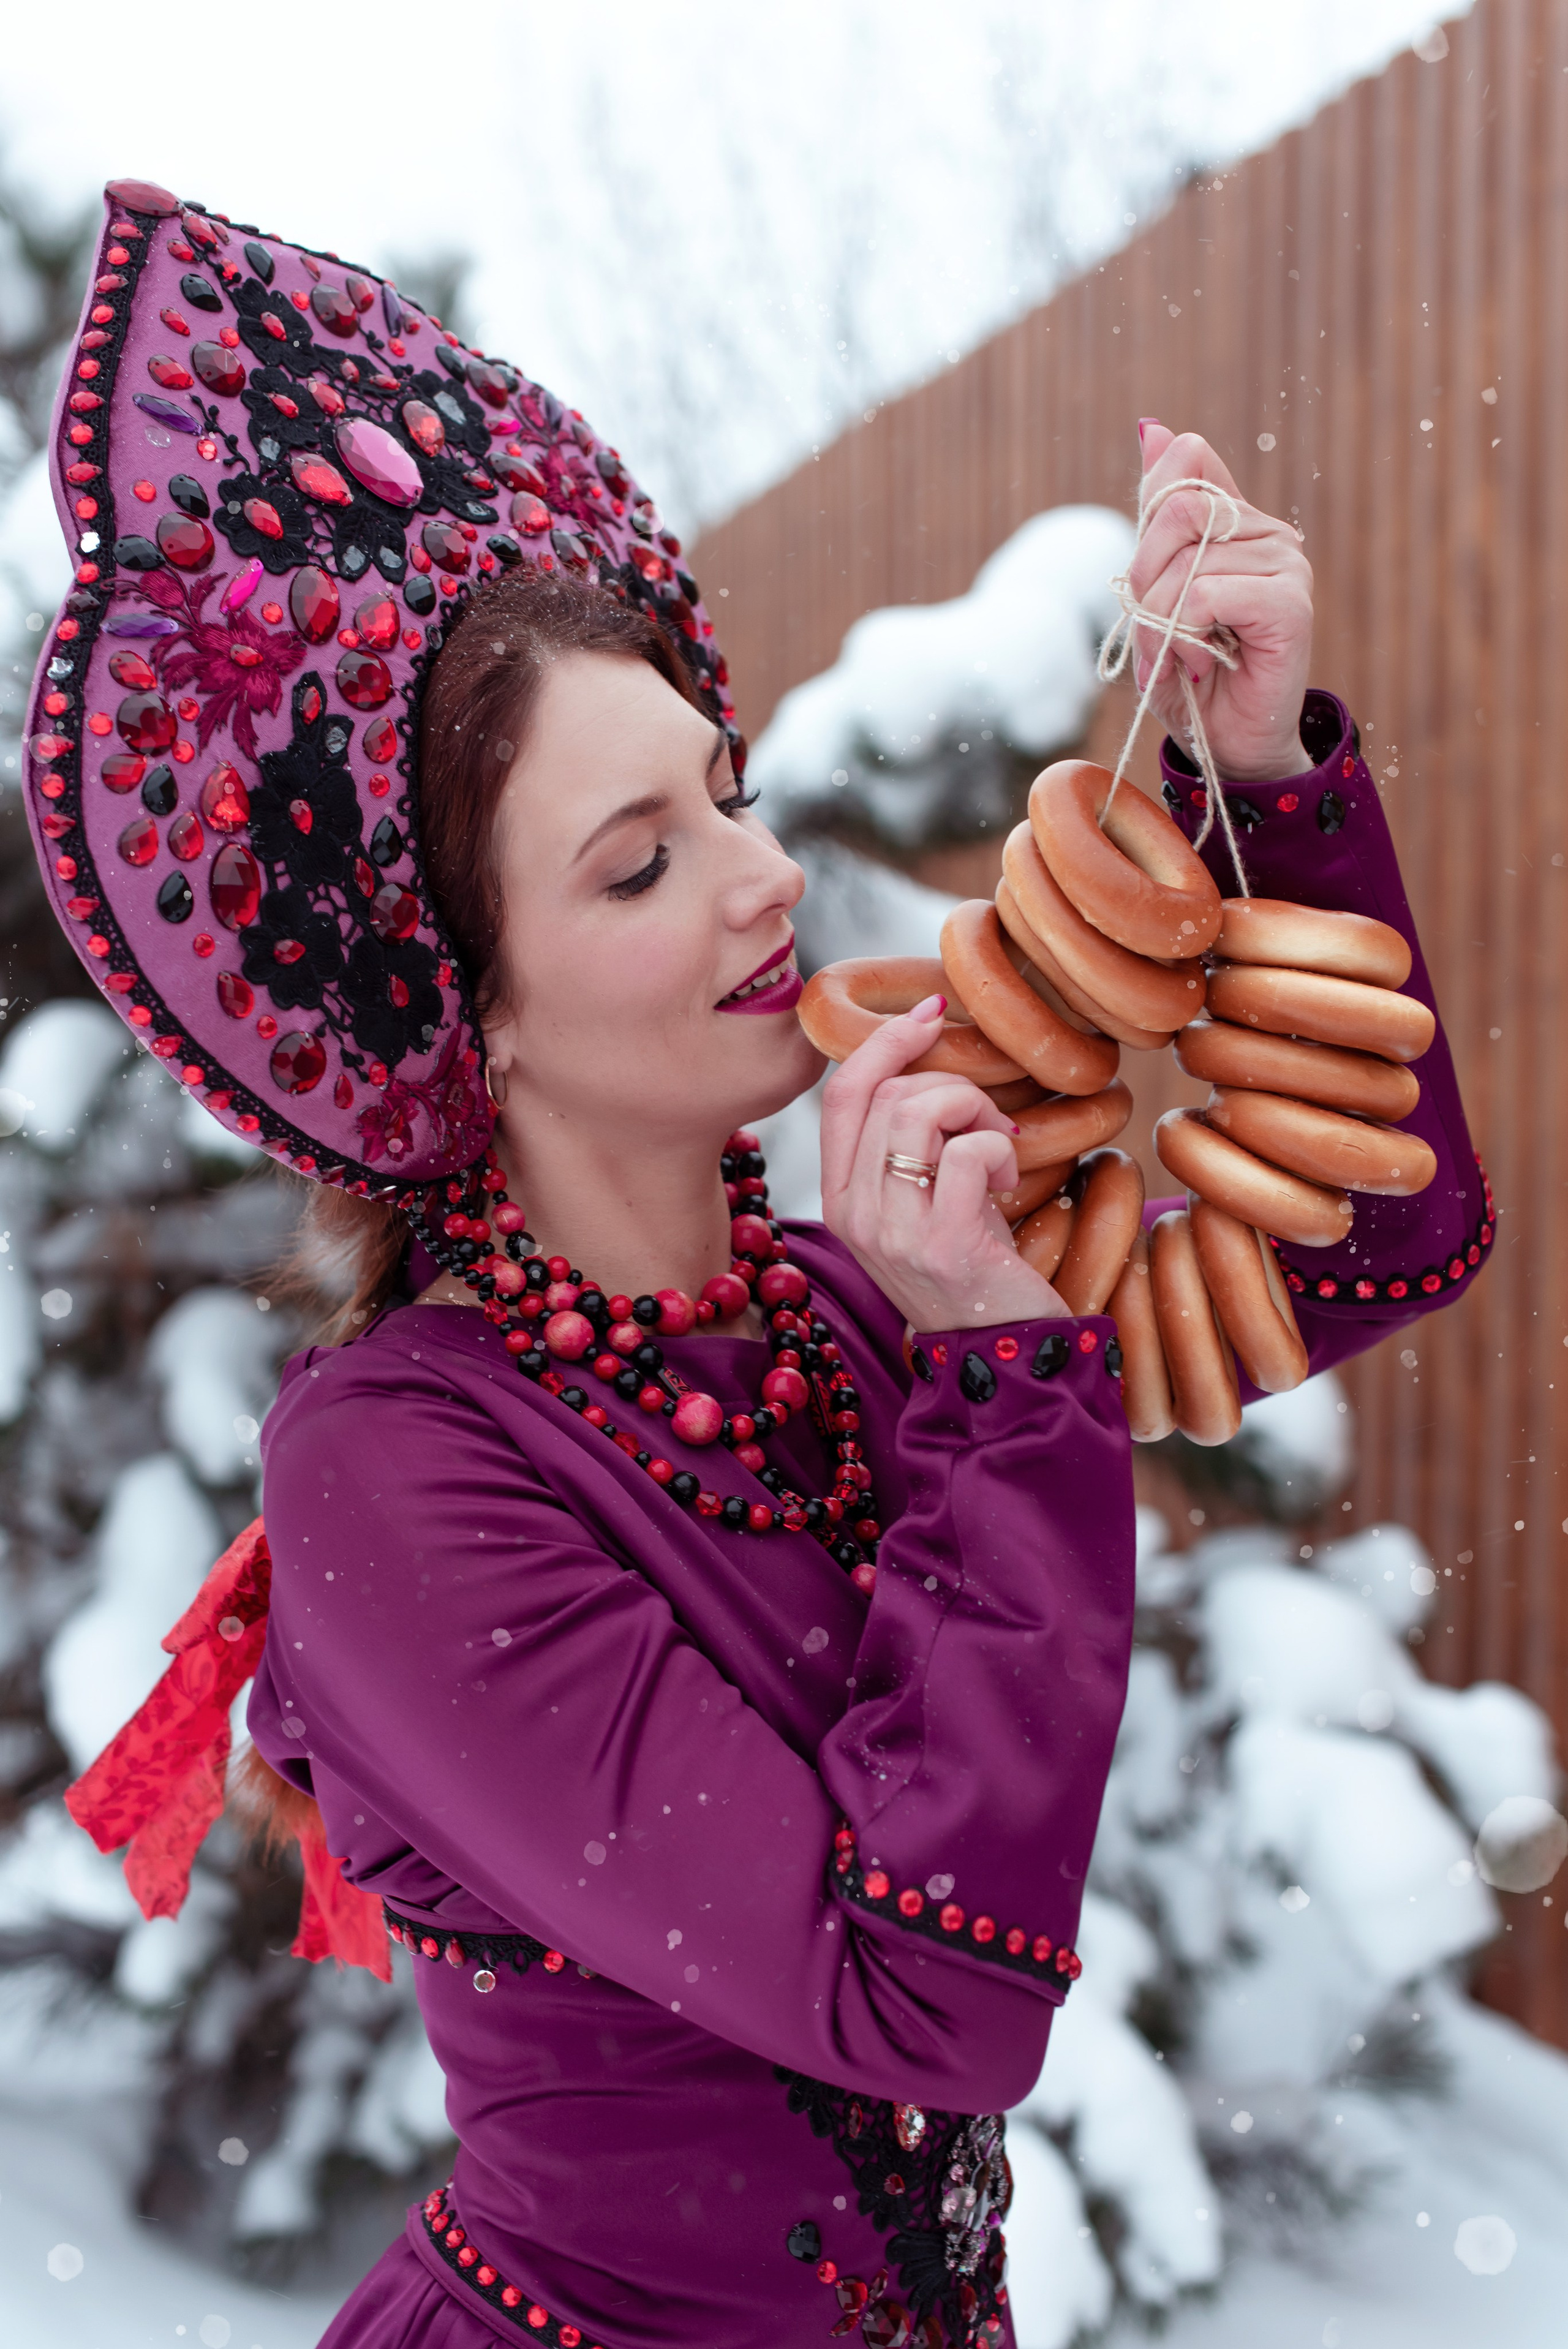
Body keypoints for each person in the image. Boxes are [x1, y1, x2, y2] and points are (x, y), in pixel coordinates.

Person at [29, 190, 1488, 2349]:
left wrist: (1261, 771)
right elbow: (927, 1992)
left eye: (723, 794)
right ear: (476, 1010)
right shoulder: (400, 1471)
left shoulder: (844, 1306)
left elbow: (1379, 1233)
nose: (767, 875)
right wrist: (1000, 1367)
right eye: (643, 861)